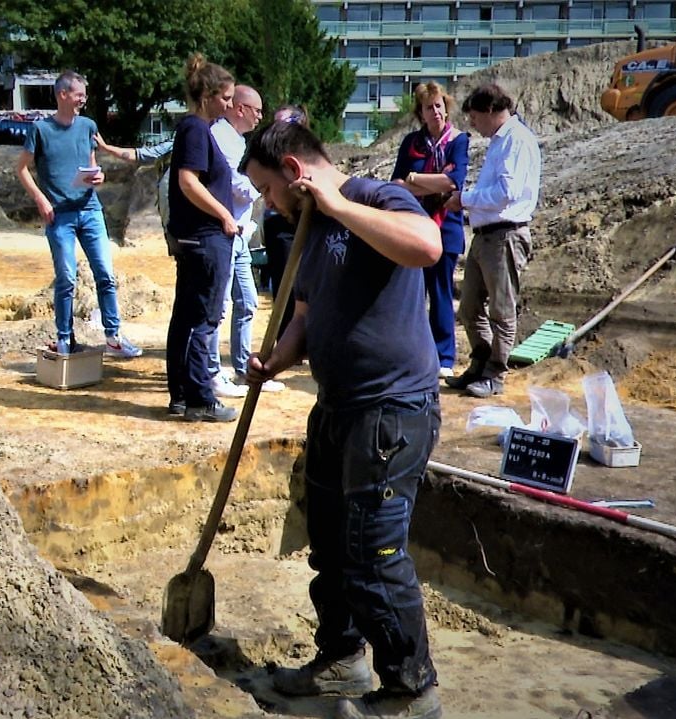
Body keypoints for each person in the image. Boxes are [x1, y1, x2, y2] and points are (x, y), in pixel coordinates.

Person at [241, 121, 445, 719]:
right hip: (336, 407)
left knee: (373, 553)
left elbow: (426, 247)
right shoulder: (307, 228)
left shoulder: (377, 197)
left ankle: (411, 692)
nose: (267, 203)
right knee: (331, 547)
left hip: (390, 411)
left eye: (267, 189)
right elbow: (305, 316)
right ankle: (341, 658)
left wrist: (337, 206)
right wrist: (278, 358)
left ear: (294, 171)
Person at [15, 70, 142, 358]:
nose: (83, 100)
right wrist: (41, 199)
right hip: (59, 216)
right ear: (63, 95)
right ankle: (64, 339)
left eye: (84, 95)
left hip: (90, 210)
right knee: (66, 279)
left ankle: (113, 337)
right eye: (79, 95)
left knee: (105, 275)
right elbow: (21, 168)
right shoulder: (40, 130)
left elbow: (91, 164)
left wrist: (98, 177)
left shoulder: (87, 126)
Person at [443, 84, 541, 399]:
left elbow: (506, 193)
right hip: (486, 235)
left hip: (505, 235)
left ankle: (495, 374)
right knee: (469, 307)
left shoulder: (516, 140)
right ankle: (480, 363)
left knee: (501, 309)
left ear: (489, 110)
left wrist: (464, 198)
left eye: (474, 117)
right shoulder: (500, 142)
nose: (473, 124)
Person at [165, 54, 240, 422]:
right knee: (203, 318)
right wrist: (225, 215)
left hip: (197, 239)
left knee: (185, 317)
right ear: (207, 96)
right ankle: (199, 399)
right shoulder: (196, 130)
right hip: (206, 239)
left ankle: (181, 396)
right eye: (225, 98)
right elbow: (188, 181)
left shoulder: (194, 129)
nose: (229, 105)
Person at [208, 85, 285, 398]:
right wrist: (267, 187)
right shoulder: (220, 137)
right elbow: (237, 185)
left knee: (248, 301)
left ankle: (242, 368)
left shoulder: (238, 141)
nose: (260, 117)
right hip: (224, 232)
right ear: (241, 109)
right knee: (220, 306)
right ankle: (211, 372)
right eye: (257, 111)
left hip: (240, 234)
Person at [391, 82, 470, 380]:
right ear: (420, 113)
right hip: (414, 226)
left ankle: (443, 356)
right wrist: (431, 182)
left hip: (446, 227)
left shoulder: (458, 141)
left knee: (441, 293)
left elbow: (454, 182)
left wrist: (415, 179)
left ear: (446, 108)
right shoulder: (411, 142)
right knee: (412, 295)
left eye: (438, 105)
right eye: (428, 107)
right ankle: (412, 355)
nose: (435, 111)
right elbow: (397, 184)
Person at [260, 105, 310, 339]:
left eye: (282, 125)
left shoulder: (309, 155)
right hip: (279, 224)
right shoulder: (270, 157)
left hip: (305, 223)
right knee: (285, 289)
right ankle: (284, 342)